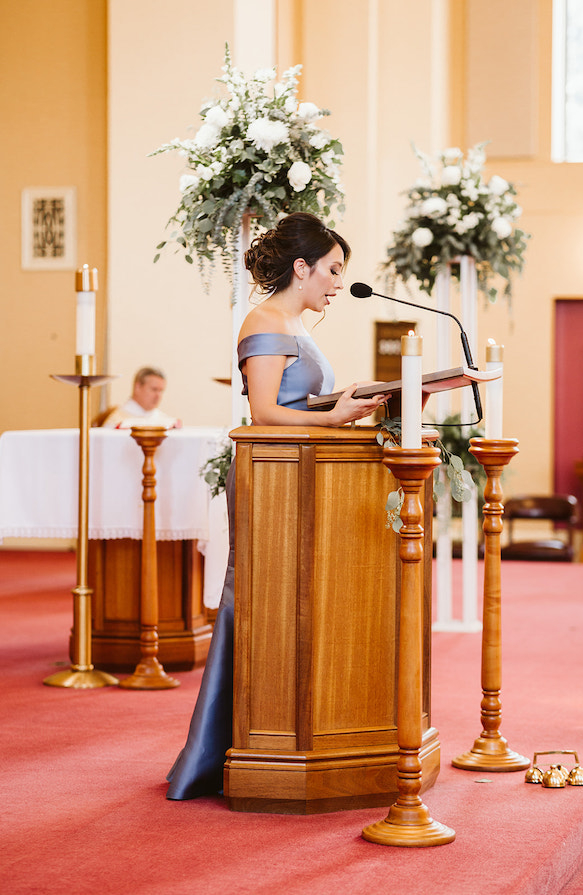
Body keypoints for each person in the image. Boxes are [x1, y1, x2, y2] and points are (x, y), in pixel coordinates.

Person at [166, 213, 384, 800]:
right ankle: (231, 742)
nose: (339, 283)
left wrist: (342, 401)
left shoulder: (294, 323)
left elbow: (298, 404)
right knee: (263, 599)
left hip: (299, 474)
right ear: (301, 267)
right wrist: (333, 415)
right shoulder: (265, 319)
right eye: (333, 271)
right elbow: (263, 413)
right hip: (271, 479)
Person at [103, 366, 181, 428]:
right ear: (138, 387)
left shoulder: (165, 421)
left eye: (161, 391)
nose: (158, 396)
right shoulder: (115, 422)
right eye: (154, 389)